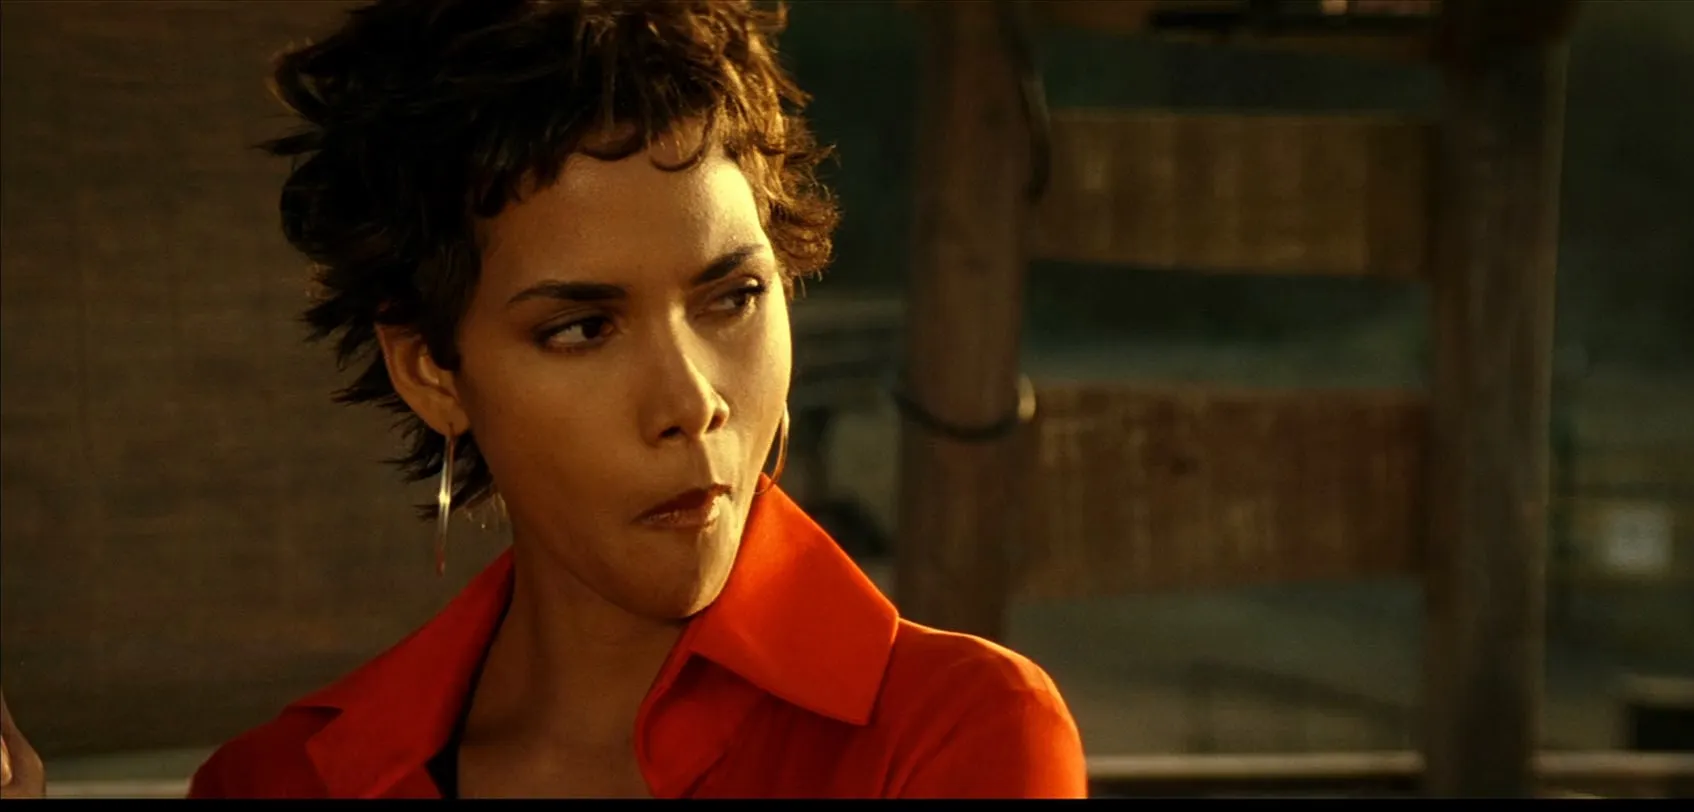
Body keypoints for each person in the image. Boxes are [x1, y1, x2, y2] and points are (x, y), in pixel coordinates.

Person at [0, 0, 1085, 799]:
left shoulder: (953, 733)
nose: (692, 400)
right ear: (431, 371)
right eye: (581, 327)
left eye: (732, 298)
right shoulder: (282, 783)